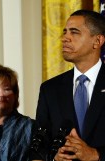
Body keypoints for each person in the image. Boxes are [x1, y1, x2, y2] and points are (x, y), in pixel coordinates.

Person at [31, 10, 105, 161]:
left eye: (74, 32)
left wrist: (96, 155)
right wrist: (54, 158)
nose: (65, 38)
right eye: (65, 32)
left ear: (97, 41)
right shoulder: (49, 89)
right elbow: (38, 147)